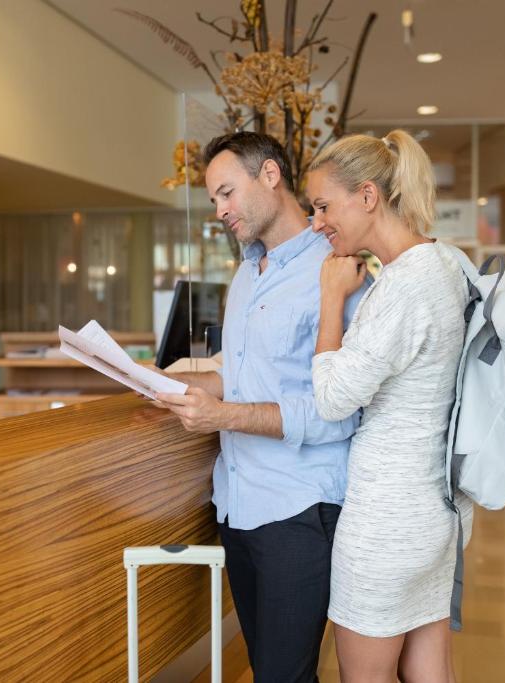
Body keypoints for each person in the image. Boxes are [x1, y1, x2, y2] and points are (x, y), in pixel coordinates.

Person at [154, 132, 368, 682]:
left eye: (227, 193)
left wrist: (222, 416)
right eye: (213, 200)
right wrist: (168, 382)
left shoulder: (335, 267)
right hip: (238, 505)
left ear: (270, 175)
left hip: (299, 508)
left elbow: (338, 410)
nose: (219, 210)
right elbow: (244, 374)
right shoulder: (249, 271)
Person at [306, 130, 473, 683]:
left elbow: (332, 398)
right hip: (436, 510)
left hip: (386, 521)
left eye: (324, 206)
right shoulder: (445, 263)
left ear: (368, 196)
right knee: (431, 672)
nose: (317, 223)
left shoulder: (403, 286)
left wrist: (331, 297)